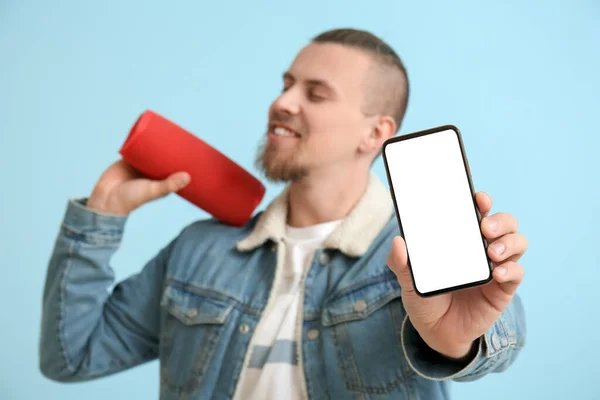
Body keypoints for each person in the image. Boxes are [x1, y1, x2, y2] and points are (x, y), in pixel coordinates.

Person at [39, 28, 528, 399]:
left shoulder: (423, 252)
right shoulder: (199, 249)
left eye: (315, 94)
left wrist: (455, 342)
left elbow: (492, 336)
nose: (282, 102)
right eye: (286, 84)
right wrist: (98, 218)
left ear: (375, 133)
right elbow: (72, 357)